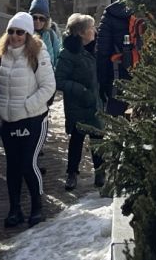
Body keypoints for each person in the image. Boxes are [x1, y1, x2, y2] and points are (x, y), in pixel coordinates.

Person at [0, 12, 56, 228]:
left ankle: (37, 206)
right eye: (11, 31)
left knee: (28, 163)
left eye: (20, 32)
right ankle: (15, 209)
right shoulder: (2, 54)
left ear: (28, 34)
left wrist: (27, 105)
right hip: (9, 119)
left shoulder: (38, 54)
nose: (15, 36)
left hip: (32, 119)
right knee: (12, 166)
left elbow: (49, 87)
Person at [56, 14, 105, 191]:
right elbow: (59, 80)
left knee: (98, 138)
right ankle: (72, 174)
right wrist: (80, 90)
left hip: (94, 102)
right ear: (82, 32)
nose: (95, 31)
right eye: (91, 28)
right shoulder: (69, 53)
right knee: (76, 139)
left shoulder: (96, 48)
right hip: (77, 104)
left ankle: (100, 173)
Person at [96, 0, 132, 116]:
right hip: (152, 82)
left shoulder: (112, 12)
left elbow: (102, 53)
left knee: (118, 125)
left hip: (118, 81)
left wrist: (102, 84)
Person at [29, 0, 61, 70]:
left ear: (46, 20)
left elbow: (58, 55)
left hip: (48, 75)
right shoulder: (24, 33)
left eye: (42, 19)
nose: (38, 21)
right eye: (35, 18)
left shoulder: (51, 34)